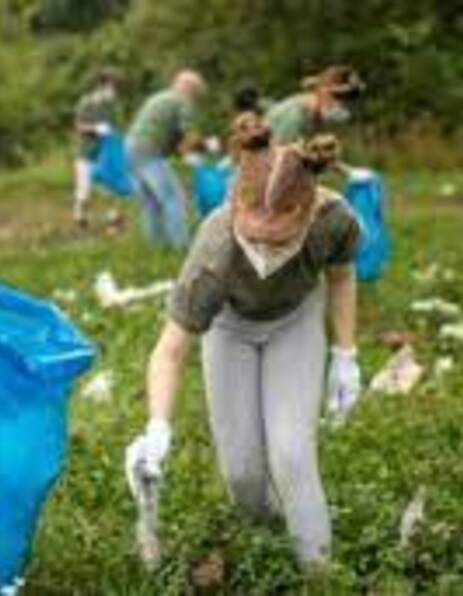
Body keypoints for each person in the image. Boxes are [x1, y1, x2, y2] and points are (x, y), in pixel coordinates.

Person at [126, 114, 363, 570]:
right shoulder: (214, 250)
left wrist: (345, 353)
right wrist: (157, 427)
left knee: (292, 455)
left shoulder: (333, 220)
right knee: (242, 476)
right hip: (230, 331)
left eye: (278, 244)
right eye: (255, 240)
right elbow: (170, 350)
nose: (264, 256)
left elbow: (342, 276)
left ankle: (320, 575)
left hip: (294, 322)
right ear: (235, 204)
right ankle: (269, 542)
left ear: (308, 211)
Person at [125, 70, 206, 251]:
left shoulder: (158, 98)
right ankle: (182, 246)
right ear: (190, 89)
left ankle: (156, 247)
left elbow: (169, 136)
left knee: (151, 202)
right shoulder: (182, 101)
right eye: (197, 93)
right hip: (148, 151)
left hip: (130, 148)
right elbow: (190, 136)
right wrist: (205, 147)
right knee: (173, 198)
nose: (195, 99)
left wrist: (182, 152)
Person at [71, 68, 121, 226]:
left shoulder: (110, 105)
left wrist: (113, 134)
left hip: (104, 153)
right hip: (86, 153)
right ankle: (80, 216)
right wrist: (95, 129)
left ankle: (113, 217)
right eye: (111, 86)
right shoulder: (86, 102)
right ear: (102, 86)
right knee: (84, 190)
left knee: (110, 186)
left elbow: (114, 126)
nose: (114, 90)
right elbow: (78, 127)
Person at [264, 66, 365, 144]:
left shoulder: (325, 116)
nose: (341, 102)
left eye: (350, 97)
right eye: (338, 96)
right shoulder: (294, 111)